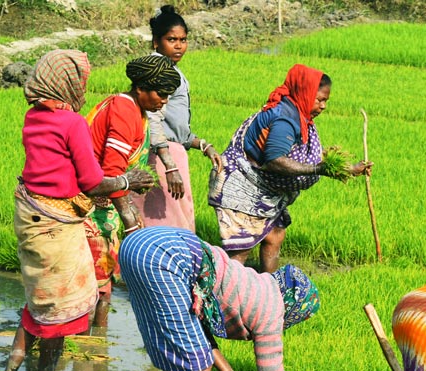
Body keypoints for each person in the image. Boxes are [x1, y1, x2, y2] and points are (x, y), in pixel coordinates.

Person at [118, 226, 354, 371]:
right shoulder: (272, 310)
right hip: (167, 258)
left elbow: (198, 332)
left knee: (175, 359)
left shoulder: (256, 282)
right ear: (294, 308)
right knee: (197, 368)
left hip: (136, 246)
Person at [4, 49, 153, 371]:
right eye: (81, 83)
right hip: (58, 224)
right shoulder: (71, 123)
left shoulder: (34, 117)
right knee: (62, 306)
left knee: (40, 296)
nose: (84, 91)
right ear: (67, 84)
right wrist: (130, 180)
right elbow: (92, 181)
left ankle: (12, 367)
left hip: (30, 213)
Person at [208, 63, 372, 273]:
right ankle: (225, 294)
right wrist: (316, 170)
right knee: (241, 248)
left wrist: (349, 169)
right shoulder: (285, 118)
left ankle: (270, 287)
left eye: (326, 101)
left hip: (263, 190)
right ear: (305, 93)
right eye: (319, 99)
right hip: (243, 187)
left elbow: (304, 154)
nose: (323, 106)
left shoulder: (300, 115)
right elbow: (275, 160)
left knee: (275, 234)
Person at [84, 54, 181, 329]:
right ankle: (86, 351)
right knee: (94, 286)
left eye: (168, 95)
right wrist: (129, 221)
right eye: (160, 94)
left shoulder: (137, 110)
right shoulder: (125, 110)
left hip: (104, 202)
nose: (164, 100)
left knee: (104, 285)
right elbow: (113, 171)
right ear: (140, 88)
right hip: (91, 207)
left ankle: (95, 347)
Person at [130, 5, 223, 231]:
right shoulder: (159, 71)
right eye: (171, 39)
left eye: (183, 39)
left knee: (167, 220)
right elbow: (153, 119)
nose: (179, 45)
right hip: (161, 156)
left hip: (168, 153)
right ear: (155, 41)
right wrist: (170, 167)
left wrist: (202, 145)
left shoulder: (168, 69)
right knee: (168, 223)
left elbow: (175, 127)